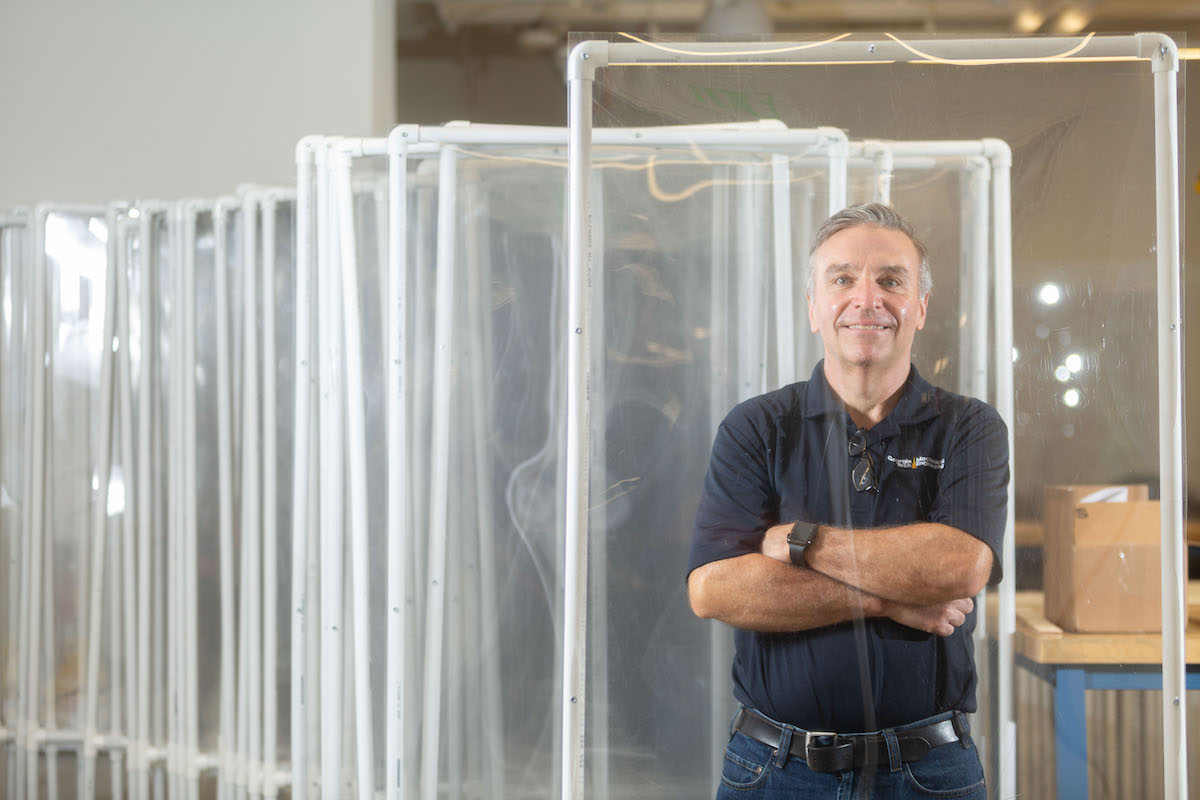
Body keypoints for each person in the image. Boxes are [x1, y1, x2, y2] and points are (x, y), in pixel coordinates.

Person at [687, 203, 1008, 799]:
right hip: (774, 770)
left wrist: (798, 542)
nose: (868, 298)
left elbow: (958, 566)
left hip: (928, 773)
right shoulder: (758, 428)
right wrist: (893, 597)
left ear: (920, 306)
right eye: (842, 279)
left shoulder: (968, 427)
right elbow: (715, 589)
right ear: (814, 306)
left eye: (891, 280)